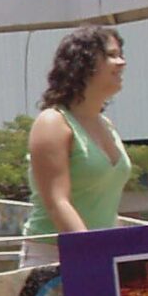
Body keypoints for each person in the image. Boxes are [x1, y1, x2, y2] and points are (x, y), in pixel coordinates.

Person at [21, 25, 133, 267]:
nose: (122, 62)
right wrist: (93, 256)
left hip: (100, 254)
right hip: (55, 257)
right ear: (86, 62)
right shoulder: (53, 122)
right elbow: (57, 203)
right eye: (112, 55)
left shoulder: (106, 125)